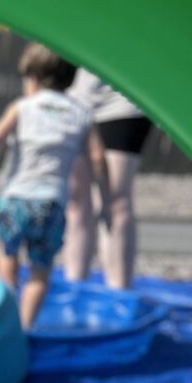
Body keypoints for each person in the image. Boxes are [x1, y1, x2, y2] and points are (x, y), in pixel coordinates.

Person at [0, 43, 108, 330]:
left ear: (34, 79)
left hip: (14, 198)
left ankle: (6, 312)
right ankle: (24, 328)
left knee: (8, 251)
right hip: (51, 204)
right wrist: (106, 197)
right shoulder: (82, 114)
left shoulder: (23, 108)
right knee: (40, 269)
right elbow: (98, 158)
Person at [64, 69, 153, 289]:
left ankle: (119, 290)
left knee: (116, 199)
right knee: (77, 201)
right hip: (77, 97)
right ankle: (75, 287)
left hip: (124, 98)